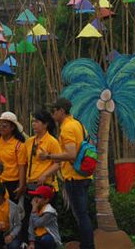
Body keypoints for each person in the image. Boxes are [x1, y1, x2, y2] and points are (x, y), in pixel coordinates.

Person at [41, 98, 93, 249]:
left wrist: (49, 156)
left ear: (61, 111)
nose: (52, 114)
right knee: (83, 214)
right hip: (83, 175)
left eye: (54, 111)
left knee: (81, 215)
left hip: (74, 177)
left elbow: (71, 154)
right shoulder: (78, 124)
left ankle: (88, 245)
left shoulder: (68, 128)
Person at [21, 110, 60, 244]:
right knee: (28, 218)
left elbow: (58, 163)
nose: (34, 124)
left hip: (45, 187)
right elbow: (24, 163)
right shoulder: (29, 142)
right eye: (33, 122)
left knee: (44, 220)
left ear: (46, 124)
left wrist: (45, 174)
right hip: (31, 185)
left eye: (37, 122)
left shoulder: (52, 142)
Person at [0, 112, 27, 202]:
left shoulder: (19, 145)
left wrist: (21, 185)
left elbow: (21, 166)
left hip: (12, 182)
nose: (1, 128)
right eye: (0, 125)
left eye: (5, 126)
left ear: (12, 127)